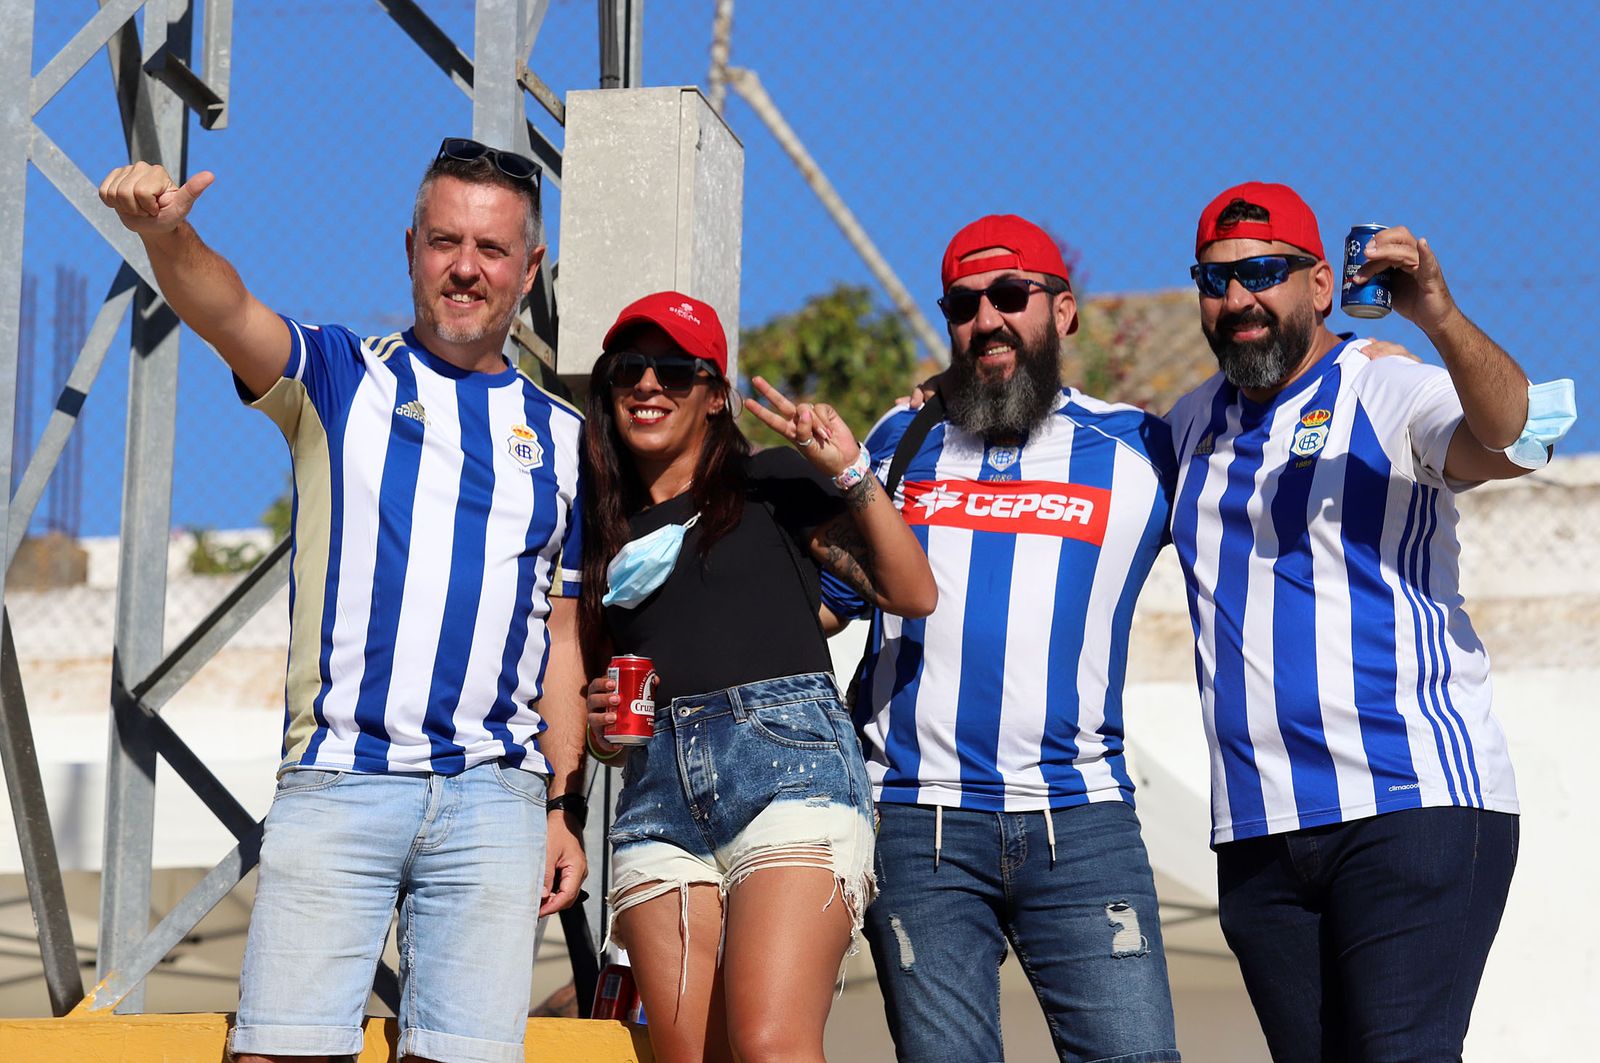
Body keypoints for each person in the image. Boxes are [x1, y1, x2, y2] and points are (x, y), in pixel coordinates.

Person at [100, 138, 589, 1063]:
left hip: (496, 800)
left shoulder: (566, 438)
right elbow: (227, 307)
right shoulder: (339, 377)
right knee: (281, 1053)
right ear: (410, 248)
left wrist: (562, 805)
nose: (465, 268)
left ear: (529, 269)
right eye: (445, 242)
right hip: (341, 779)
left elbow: (559, 636)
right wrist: (170, 239)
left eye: (490, 250)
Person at [1167, 181, 1576, 1061]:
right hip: (1257, 828)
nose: (1238, 300)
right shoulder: (1188, 425)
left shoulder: (1385, 385)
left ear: (1321, 285)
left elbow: (1511, 438)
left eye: (1264, 273)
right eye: (1215, 279)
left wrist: (1438, 314)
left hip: (1410, 801)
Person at [825, 215, 1182, 1063]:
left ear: (1063, 311)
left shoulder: (1142, 448)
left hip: (1083, 821)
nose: (986, 319)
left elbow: (1259, 450)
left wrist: (1354, 353)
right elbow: (826, 602)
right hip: (917, 823)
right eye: (963, 303)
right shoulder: (897, 441)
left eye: (1011, 296)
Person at [579, 291, 935, 1063]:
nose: (648, 385)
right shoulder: (599, 528)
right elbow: (598, 697)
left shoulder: (770, 483)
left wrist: (849, 473)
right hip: (656, 801)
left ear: (714, 395)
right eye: (628, 370)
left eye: (674, 369)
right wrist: (601, 726)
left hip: (791, 774)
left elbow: (913, 593)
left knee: (771, 1045)